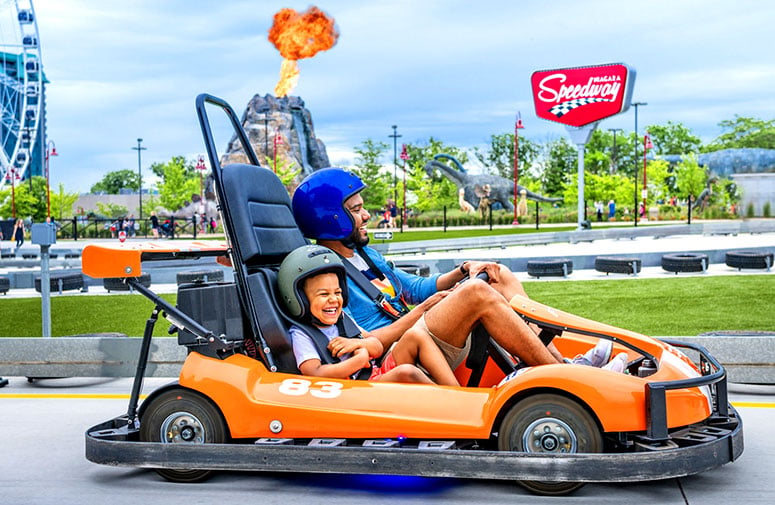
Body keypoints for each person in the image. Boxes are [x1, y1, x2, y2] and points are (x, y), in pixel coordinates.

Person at [291, 168, 626, 373]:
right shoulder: (325, 278)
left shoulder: (366, 254)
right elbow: (363, 342)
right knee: (478, 293)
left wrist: (464, 270)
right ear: (332, 217)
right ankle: (569, 379)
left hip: (422, 332)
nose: (367, 216)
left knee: (497, 274)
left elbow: (417, 287)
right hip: (401, 353)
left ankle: (564, 366)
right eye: (357, 210)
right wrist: (427, 308)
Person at [279, 245, 459, 385]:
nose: (333, 299)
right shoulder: (302, 334)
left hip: (373, 374)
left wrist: (358, 343)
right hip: (356, 389)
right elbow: (315, 373)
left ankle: (459, 395)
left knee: (416, 335)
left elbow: (376, 346)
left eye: (338, 292)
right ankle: (454, 408)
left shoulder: (342, 319)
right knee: (406, 372)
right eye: (324, 294)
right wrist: (360, 359)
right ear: (299, 299)